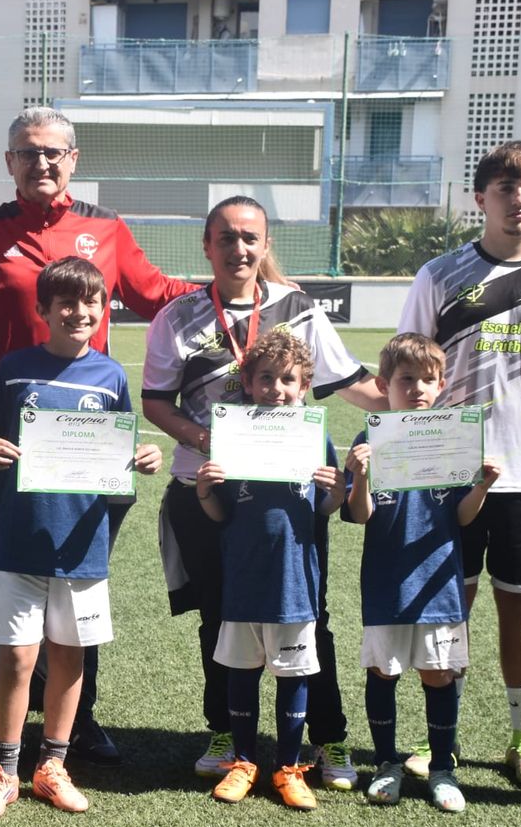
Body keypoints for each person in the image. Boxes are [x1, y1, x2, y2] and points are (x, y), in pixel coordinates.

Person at [0, 106, 277, 766]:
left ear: (74, 159)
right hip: (14, 448)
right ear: (9, 162)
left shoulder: (105, 229)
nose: (42, 163)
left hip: (90, 451)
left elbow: (160, 296)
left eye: (54, 153)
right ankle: (8, 730)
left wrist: (244, 289)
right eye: (28, 152)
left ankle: (76, 723)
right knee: (14, 584)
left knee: (80, 579)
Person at [142, 195, 388, 789]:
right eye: (226, 238)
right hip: (205, 486)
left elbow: (353, 385)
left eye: (250, 237)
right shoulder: (176, 316)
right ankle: (226, 732)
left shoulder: (297, 309)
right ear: (207, 247)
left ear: (266, 245)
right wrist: (205, 439)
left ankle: (327, 737)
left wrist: (426, 419)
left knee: (310, 616)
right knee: (220, 616)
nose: (239, 248)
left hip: (291, 494)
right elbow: (154, 401)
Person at [396, 140, 521, 787]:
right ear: (480, 197)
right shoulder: (440, 275)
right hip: (451, 474)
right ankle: (443, 743)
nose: (519, 198)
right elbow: (409, 370)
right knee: (448, 610)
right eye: (506, 187)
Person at [0, 258, 162, 819]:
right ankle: (3, 769)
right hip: (21, 539)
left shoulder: (110, 376)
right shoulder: (13, 368)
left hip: (82, 544)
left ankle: (52, 765)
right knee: (18, 657)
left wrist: (143, 458)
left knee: (69, 657)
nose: (80, 313)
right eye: (67, 304)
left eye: (91, 303)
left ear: (104, 310)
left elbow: (119, 455)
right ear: (43, 310)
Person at [343, 334, 501, 813]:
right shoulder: (368, 440)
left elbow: (464, 517)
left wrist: (483, 485)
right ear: (384, 384)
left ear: (441, 385)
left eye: (427, 380)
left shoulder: (452, 436)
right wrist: (361, 477)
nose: (416, 388)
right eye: (405, 379)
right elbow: (360, 514)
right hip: (387, 581)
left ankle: (442, 770)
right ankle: (387, 764)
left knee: (438, 674)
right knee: (383, 672)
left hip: (438, 583)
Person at [194, 331, 345, 811]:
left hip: (294, 582)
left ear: (304, 386)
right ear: (248, 381)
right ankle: (243, 761)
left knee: (293, 673)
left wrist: (338, 487)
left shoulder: (313, 435)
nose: (276, 389)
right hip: (243, 579)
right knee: (241, 673)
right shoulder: (233, 434)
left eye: (287, 380)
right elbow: (220, 515)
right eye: (266, 379)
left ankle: (288, 765)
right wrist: (203, 490)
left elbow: (326, 508)